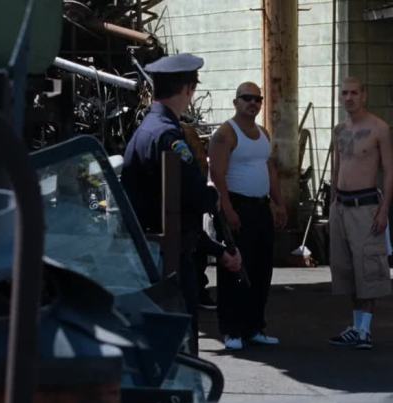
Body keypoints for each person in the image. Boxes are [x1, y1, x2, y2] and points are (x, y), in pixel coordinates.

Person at [120, 53, 242, 347]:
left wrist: (216, 249)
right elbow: (194, 197)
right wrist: (212, 196)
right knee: (180, 345)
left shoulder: (148, 130)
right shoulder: (167, 136)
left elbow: (174, 206)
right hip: (169, 260)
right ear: (188, 89)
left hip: (155, 252)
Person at [209, 82, 287, 351]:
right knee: (235, 269)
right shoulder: (225, 134)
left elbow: (270, 170)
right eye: (247, 98)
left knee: (261, 269)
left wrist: (279, 203)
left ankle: (254, 327)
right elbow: (217, 175)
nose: (253, 103)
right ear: (236, 102)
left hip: (261, 207)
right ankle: (231, 330)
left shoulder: (263, 132)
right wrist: (228, 209)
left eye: (257, 99)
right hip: (237, 206)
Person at [328, 77, 393, 350]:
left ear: (364, 95)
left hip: (366, 205)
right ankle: (356, 327)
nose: (349, 98)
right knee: (347, 270)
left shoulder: (379, 128)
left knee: (368, 268)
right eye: (344, 93)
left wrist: (384, 210)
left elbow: (389, 172)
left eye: (354, 93)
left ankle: (365, 330)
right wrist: (332, 203)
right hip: (341, 205)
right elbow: (337, 168)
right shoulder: (339, 130)